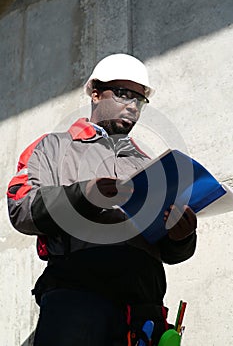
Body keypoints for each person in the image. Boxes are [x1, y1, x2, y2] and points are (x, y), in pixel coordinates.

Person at [7, 53, 197, 346]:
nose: (132, 105)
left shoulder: (149, 166)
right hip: (76, 303)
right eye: (123, 94)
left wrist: (181, 237)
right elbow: (21, 207)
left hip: (144, 311)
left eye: (139, 99)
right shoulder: (53, 148)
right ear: (95, 94)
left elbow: (170, 252)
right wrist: (83, 195)